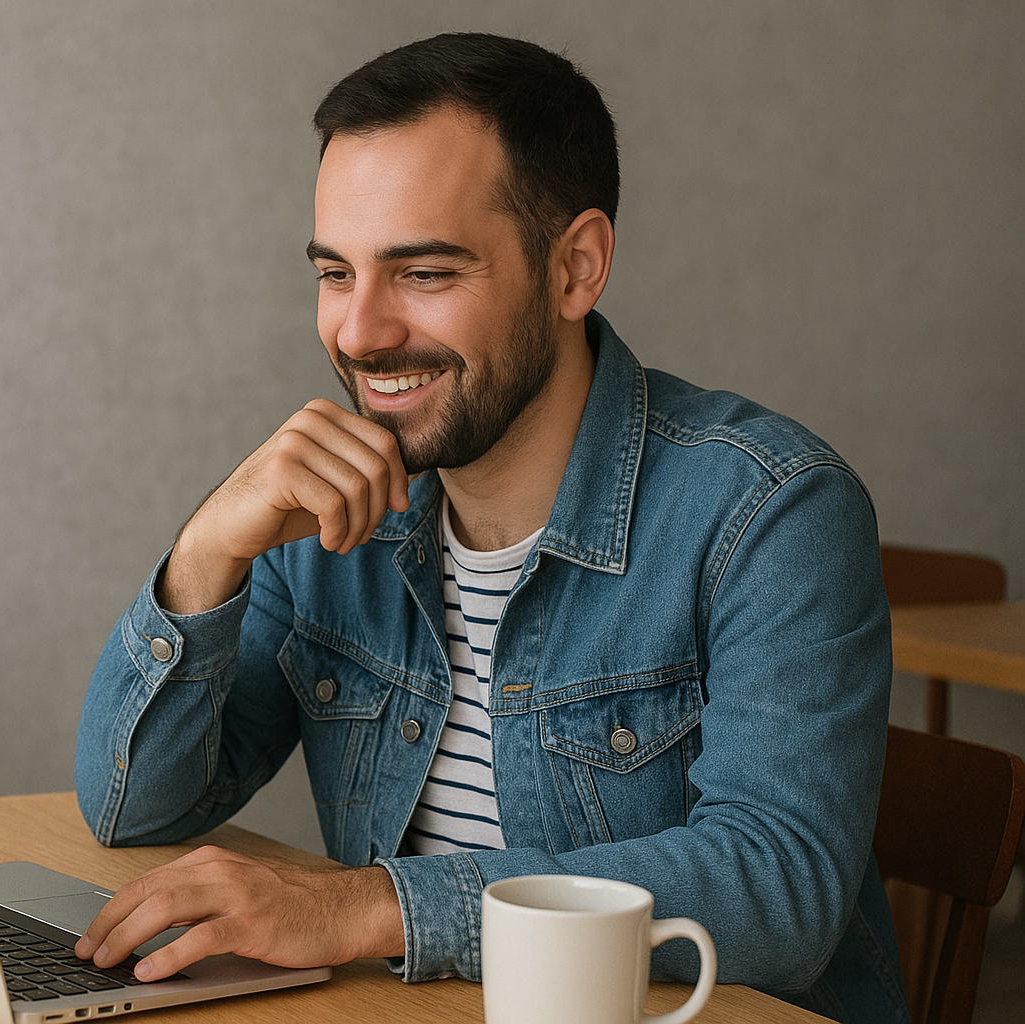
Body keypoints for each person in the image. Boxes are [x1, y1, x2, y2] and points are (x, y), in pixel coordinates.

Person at [73, 32, 906, 1024]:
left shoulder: (772, 510)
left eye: (424, 273)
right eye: (335, 273)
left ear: (575, 268)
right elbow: (136, 810)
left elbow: (779, 885)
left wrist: (366, 907)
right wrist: (208, 550)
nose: (359, 333)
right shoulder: (328, 518)